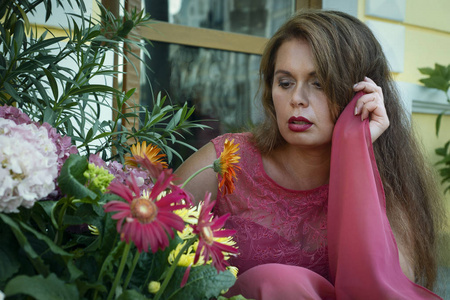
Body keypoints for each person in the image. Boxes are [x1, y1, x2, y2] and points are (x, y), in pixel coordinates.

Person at [174, 9, 445, 299]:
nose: (297, 99)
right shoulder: (228, 160)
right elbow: (144, 232)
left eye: (318, 83)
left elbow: (380, 292)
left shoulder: (389, 186)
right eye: (285, 82)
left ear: (361, 94)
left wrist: (355, 150)